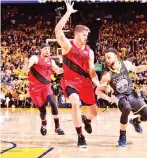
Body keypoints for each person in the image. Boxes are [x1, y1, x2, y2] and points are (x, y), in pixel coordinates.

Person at [55, 0, 106, 148]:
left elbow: (91, 71)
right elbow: (58, 31)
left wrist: (97, 83)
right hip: (70, 82)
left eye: (87, 35)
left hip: (85, 83)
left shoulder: (89, 51)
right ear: (76, 34)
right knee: (75, 102)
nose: (86, 37)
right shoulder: (67, 45)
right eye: (84, 35)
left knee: (94, 113)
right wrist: (68, 13)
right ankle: (80, 135)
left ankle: (87, 120)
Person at [96, 48, 147, 148]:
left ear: (116, 56)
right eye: (105, 58)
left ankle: (136, 121)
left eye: (109, 57)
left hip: (131, 94)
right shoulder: (107, 75)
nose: (107, 60)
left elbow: (136, 69)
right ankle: (122, 135)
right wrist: (109, 99)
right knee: (126, 107)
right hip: (120, 97)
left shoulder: (126, 64)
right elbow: (97, 91)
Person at [22, 43, 65, 136]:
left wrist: (65, 64)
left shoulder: (51, 61)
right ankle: (44, 124)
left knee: (53, 103)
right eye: (45, 49)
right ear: (41, 50)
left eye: (49, 49)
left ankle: (57, 127)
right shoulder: (35, 58)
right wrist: (26, 64)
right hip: (35, 89)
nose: (48, 50)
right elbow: (25, 70)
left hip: (46, 87)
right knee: (43, 111)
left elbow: (58, 71)